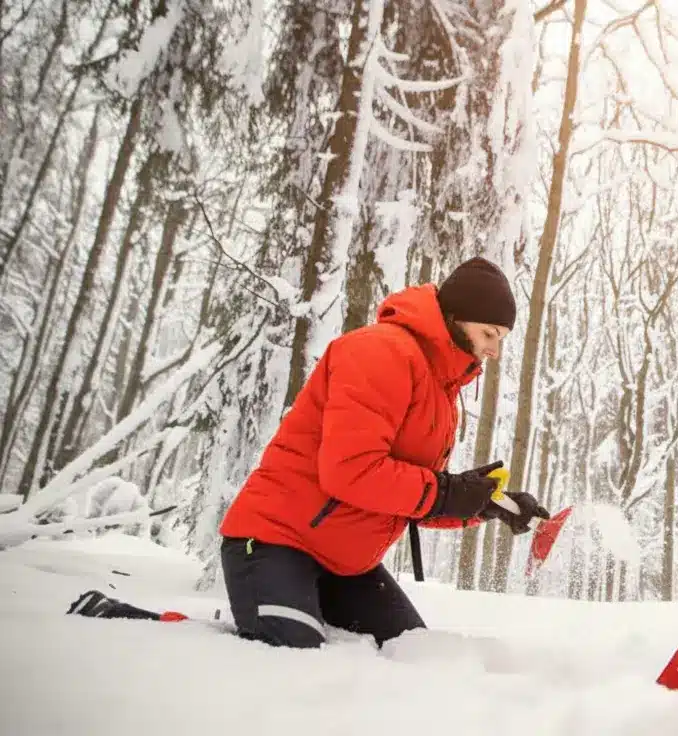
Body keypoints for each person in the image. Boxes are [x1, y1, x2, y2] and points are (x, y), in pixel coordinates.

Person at [68, 257, 551, 649]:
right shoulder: (381, 352)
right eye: (489, 334)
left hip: (345, 564)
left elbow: (404, 495)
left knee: (411, 654)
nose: (494, 351)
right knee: (290, 652)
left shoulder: (442, 393)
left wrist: (481, 505)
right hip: (275, 542)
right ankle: (136, 624)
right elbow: (351, 473)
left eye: (501, 340)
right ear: (454, 318)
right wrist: (446, 492)